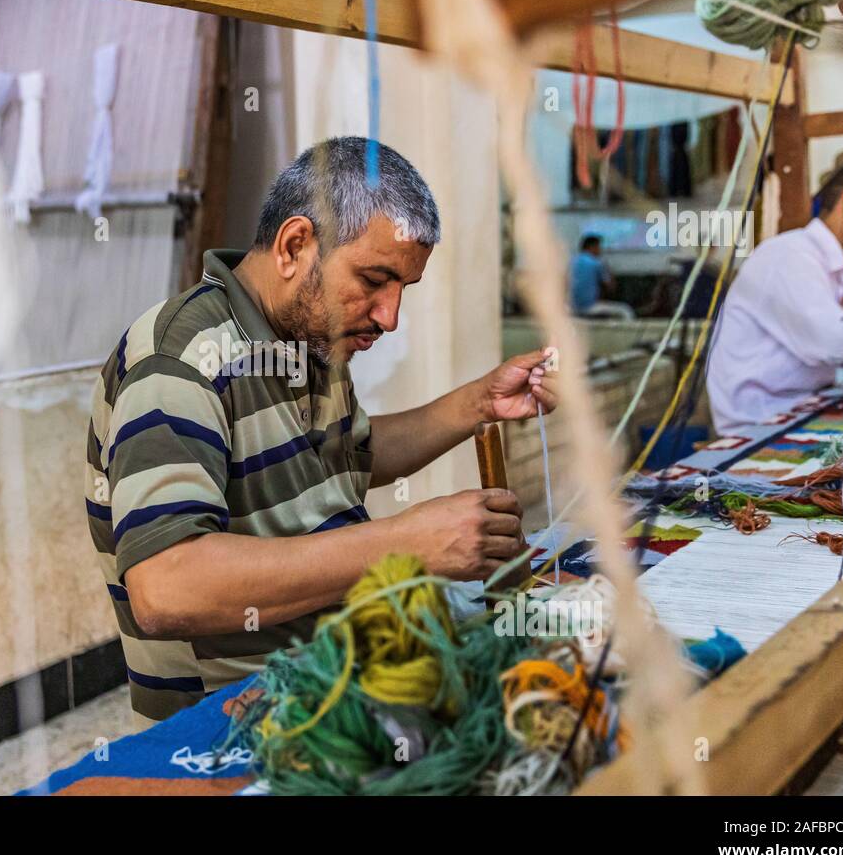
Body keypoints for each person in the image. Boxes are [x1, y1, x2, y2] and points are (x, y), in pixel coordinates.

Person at [85, 137, 558, 725]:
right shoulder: (182, 360)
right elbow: (166, 586)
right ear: (294, 246)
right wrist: (405, 542)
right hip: (238, 720)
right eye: (374, 279)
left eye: (402, 290)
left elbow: (348, 457)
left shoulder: (307, 344)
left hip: (337, 683)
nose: (389, 317)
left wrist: (477, 402)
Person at [707, 158, 843, 435]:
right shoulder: (788, 256)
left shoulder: (821, 263)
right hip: (760, 426)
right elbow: (834, 339)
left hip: (798, 408)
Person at [569, 234, 633, 319]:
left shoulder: (571, 261)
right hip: (588, 307)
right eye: (599, 247)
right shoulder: (597, 263)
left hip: (571, 307)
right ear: (592, 247)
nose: (600, 250)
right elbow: (611, 287)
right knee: (626, 311)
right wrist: (608, 269)